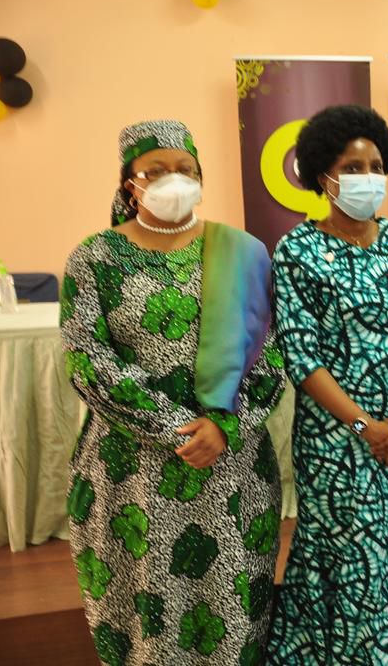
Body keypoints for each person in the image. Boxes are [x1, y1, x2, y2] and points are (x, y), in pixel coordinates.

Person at [61, 120, 285, 664]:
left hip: (231, 472)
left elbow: (272, 354)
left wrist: (223, 426)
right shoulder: (94, 258)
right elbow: (85, 356)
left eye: (185, 170)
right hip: (131, 475)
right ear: (128, 184)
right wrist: (175, 429)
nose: (173, 181)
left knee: (235, 613)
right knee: (147, 615)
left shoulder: (244, 252)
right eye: (155, 171)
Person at [266, 105, 388, 665]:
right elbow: (301, 356)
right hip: (336, 441)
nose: (367, 177)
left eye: (376, 165)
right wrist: (363, 425)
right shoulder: (297, 252)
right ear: (323, 175)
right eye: (353, 166)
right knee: (347, 548)